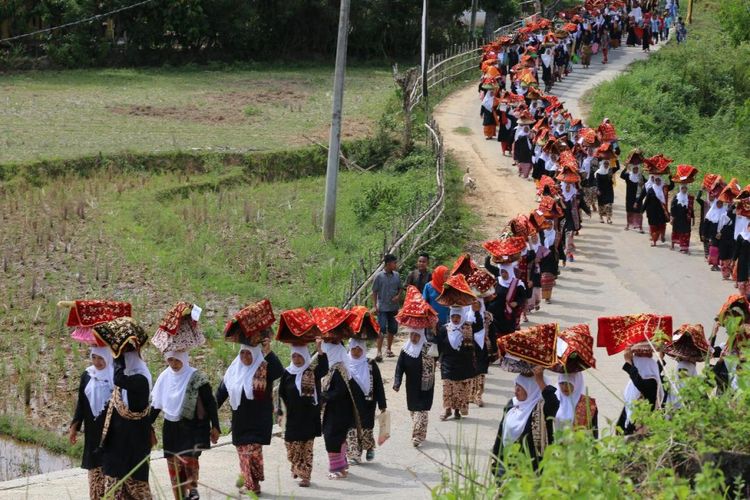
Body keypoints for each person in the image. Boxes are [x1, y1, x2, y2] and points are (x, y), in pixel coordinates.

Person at [215, 343, 284, 496]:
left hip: (259, 421)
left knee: (252, 453)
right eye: (243, 353)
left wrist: (268, 351)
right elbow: (221, 393)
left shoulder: (264, 368)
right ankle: (252, 484)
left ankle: (253, 483)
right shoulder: (233, 371)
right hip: (240, 421)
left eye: (249, 353)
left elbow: (279, 371)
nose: (245, 357)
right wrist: (210, 414)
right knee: (244, 453)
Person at [151, 351, 220, 500]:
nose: (174, 364)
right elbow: (156, 405)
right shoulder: (164, 377)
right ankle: (180, 497)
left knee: (189, 461)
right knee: (174, 466)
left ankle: (192, 489)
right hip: (171, 428)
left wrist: (215, 426)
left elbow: (210, 403)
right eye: (170, 360)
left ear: (184, 358)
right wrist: (146, 424)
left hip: (191, 427)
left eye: (177, 360)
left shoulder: (197, 378)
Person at [102, 347, 154, 499]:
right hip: (118, 441)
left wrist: (117, 358)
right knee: (114, 482)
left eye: (123, 359)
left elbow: (119, 379)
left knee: (137, 485)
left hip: (135, 443)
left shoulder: (141, 379)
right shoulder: (126, 381)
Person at [491, 367, 559, 478]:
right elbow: (501, 433)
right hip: (508, 463)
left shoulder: (541, 408)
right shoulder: (512, 405)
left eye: (520, 388)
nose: (516, 391)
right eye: (516, 386)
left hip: (531, 466)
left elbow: (554, 404)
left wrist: (540, 381)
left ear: (531, 388)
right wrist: (497, 459)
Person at [69, 346, 114, 500]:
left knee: (110, 470)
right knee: (95, 470)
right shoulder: (87, 375)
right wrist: (75, 426)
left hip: (111, 431)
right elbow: (81, 403)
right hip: (92, 431)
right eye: (94, 357)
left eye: (101, 358)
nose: (97, 362)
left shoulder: (115, 378)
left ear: (108, 357)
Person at [277, 345, 321, 487]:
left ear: (305, 356)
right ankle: (297, 466)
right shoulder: (287, 373)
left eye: (300, 356)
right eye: (294, 356)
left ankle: (305, 476)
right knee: (291, 447)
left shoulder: (312, 372)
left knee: (306, 448)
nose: (296, 359)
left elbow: (325, 367)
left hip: (308, 417)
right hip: (291, 418)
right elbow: (281, 394)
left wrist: (320, 351)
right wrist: (279, 413)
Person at [316, 339, 355, 479]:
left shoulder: (337, 369)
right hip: (336, 410)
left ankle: (336, 469)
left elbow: (339, 390)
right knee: (338, 437)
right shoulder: (333, 368)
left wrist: (324, 396)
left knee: (332, 437)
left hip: (337, 410)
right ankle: (342, 466)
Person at [436, 306, 483, 420]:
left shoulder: (468, 328)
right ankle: (447, 410)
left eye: (458, 316)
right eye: (453, 316)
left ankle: (457, 410)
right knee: (447, 387)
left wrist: (477, 312)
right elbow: (439, 345)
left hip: (463, 364)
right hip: (448, 363)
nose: (455, 319)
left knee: (460, 388)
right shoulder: (444, 329)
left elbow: (479, 326)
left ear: (462, 317)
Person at [346, 338, 386, 464]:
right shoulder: (345, 364)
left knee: (366, 429)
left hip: (368, 403)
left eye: (359, 349)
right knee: (351, 429)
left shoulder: (370, 364)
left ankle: (368, 447)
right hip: (350, 404)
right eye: (354, 348)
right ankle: (354, 455)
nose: (356, 351)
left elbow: (378, 384)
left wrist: (382, 404)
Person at [393, 328, 436, 447]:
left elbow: (437, 357)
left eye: (417, 335)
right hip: (411, 385)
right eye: (412, 334)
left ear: (421, 336)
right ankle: (421, 432)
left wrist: (434, 335)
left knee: (421, 410)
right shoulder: (405, 350)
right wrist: (397, 382)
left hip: (426, 384)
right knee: (413, 410)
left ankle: (417, 436)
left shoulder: (429, 348)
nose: (413, 337)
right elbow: (399, 367)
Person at [616, 346, 664, 435]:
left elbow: (641, 383)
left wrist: (629, 363)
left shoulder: (650, 383)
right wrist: (661, 359)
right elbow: (650, 374)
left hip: (639, 431)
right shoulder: (652, 381)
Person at [372, 253, 402, 361]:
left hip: (394, 307)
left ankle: (389, 349)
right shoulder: (379, 276)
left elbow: (400, 288)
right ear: (388, 264)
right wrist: (375, 305)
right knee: (381, 329)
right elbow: (374, 291)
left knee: (393, 329)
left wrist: (398, 296)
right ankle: (379, 351)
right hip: (383, 307)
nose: (395, 265)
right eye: (394, 263)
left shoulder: (397, 275)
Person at [484, 261, 527, 334]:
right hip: (493, 313)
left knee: (506, 334)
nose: (503, 274)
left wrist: (517, 302)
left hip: (507, 315)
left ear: (510, 272)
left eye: (505, 272)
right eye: (502, 272)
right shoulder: (497, 280)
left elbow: (523, 298)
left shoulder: (518, 284)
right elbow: (489, 293)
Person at [554, 372, 598, 436]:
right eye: (562, 383)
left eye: (569, 383)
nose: (564, 387)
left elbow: (593, 431)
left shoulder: (587, 404)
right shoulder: (554, 399)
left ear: (577, 383)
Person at [561, 181, 591, 262]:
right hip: (562, 220)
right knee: (563, 237)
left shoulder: (575, 195)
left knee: (569, 234)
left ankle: (569, 254)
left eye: (569, 186)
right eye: (566, 186)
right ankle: (565, 248)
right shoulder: (559, 195)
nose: (567, 187)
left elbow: (582, 203)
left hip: (572, 219)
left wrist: (588, 211)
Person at [641, 175, 670, 246]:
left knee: (661, 225)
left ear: (661, 180)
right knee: (653, 226)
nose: (657, 182)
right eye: (656, 180)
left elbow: (671, 186)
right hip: (652, 212)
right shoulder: (651, 190)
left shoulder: (664, 189)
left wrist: (670, 178)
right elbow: (646, 201)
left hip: (661, 211)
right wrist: (642, 210)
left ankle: (662, 235)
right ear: (654, 181)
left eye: (659, 180)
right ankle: (654, 241)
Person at [670, 184, 695, 254]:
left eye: (685, 188)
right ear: (680, 189)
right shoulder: (676, 197)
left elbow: (691, 209)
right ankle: (672, 245)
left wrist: (693, 218)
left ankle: (684, 248)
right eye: (683, 188)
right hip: (677, 218)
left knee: (686, 232)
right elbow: (673, 208)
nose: (684, 190)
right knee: (676, 230)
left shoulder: (689, 198)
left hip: (686, 219)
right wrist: (672, 217)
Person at [620, 165, 645, 232]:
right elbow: (621, 176)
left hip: (638, 197)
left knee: (639, 212)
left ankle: (640, 227)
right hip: (629, 197)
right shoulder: (628, 175)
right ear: (632, 169)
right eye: (634, 168)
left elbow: (647, 183)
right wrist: (626, 168)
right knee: (629, 211)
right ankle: (628, 225)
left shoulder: (641, 177)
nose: (635, 170)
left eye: (637, 168)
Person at [595, 159, 618, 224]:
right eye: (605, 163)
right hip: (601, 191)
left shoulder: (610, 171)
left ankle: (608, 218)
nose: (606, 165)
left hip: (609, 190)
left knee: (609, 204)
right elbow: (597, 182)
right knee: (601, 205)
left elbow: (618, 167)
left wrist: (615, 158)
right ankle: (601, 217)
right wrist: (598, 190)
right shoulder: (598, 172)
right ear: (602, 164)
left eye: (607, 164)